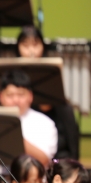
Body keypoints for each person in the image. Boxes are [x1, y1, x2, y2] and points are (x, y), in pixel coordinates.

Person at [16, 25, 80, 160]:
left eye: (35, 45)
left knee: (67, 109)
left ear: (43, 47)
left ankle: (73, 160)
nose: (31, 50)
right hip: (24, 111)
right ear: (18, 48)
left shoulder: (50, 70)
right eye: (25, 45)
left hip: (52, 113)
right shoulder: (13, 71)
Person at [0, 69, 57, 167]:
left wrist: (12, 135)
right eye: (10, 95)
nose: (16, 100)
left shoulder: (45, 123)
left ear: (30, 96)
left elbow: (44, 159)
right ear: (1, 97)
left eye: (21, 95)